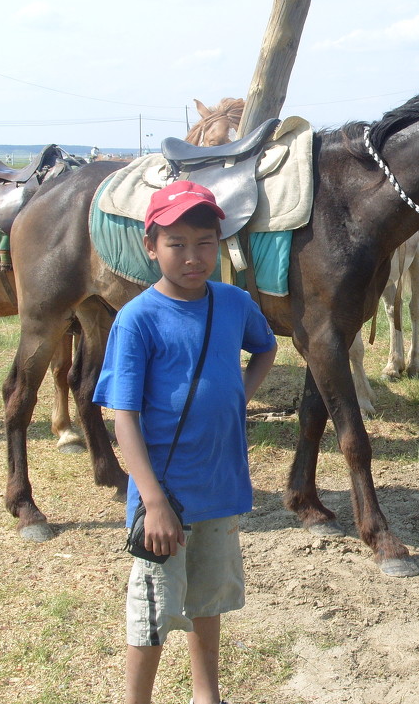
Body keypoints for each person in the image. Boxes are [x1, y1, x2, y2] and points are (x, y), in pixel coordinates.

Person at [94, 180, 277, 704]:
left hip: (220, 486)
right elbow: (123, 417)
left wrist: (238, 395)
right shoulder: (137, 320)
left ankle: (207, 695)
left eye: (204, 242)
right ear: (151, 247)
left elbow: (264, 348)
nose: (193, 257)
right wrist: (151, 502)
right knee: (153, 611)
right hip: (165, 495)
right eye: (176, 244)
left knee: (206, 600)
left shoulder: (234, 302)